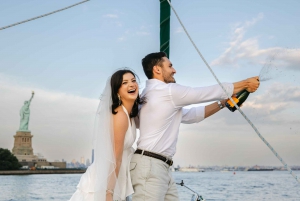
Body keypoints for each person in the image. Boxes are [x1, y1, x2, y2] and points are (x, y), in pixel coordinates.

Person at [130, 52, 260, 201]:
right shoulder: (167, 91)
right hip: (151, 166)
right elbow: (201, 94)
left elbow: (192, 115)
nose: (174, 70)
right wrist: (245, 84)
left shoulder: (153, 93)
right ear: (157, 70)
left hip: (158, 166)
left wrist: (223, 103)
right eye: (170, 66)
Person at [69, 69, 143, 201]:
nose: (132, 85)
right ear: (117, 91)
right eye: (125, 83)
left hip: (115, 178)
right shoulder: (120, 115)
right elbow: (116, 157)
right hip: (106, 180)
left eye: (133, 80)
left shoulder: (129, 114)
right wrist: (108, 192)